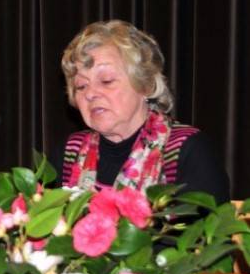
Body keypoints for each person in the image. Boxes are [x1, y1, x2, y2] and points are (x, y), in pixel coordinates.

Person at [52, 20, 230, 202]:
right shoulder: (69, 153)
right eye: (81, 86)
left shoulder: (187, 151)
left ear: (144, 85)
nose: (90, 93)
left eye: (106, 81)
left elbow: (205, 228)